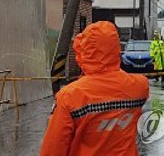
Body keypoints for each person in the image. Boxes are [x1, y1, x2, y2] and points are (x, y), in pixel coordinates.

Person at [39, 21, 149, 155]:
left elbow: (53, 149)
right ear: (116, 48)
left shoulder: (70, 96)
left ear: (84, 52)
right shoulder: (140, 86)